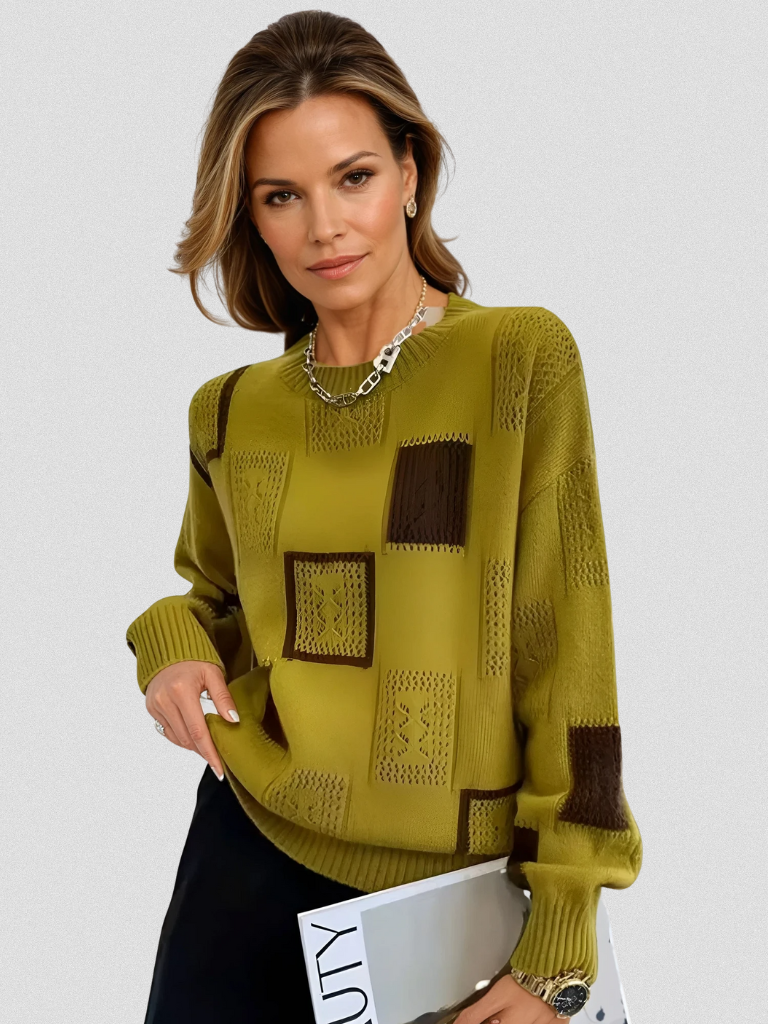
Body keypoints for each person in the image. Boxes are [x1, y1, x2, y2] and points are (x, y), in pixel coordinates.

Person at [125, 10, 643, 1024]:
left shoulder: (517, 365)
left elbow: (567, 659)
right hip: (243, 861)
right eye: (281, 195)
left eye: (353, 177)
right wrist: (168, 646)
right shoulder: (231, 412)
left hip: (444, 907)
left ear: (410, 172)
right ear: (251, 216)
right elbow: (215, 601)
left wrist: (560, 942)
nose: (323, 226)